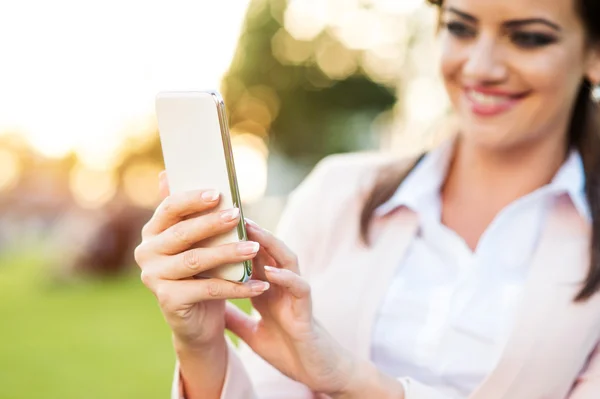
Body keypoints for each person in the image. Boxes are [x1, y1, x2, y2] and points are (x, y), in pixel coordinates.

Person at [133, 0, 600, 397]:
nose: (480, 66)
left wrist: (354, 381)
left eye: (529, 38)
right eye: (460, 27)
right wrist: (200, 347)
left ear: (593, 53)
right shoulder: (339, 194)